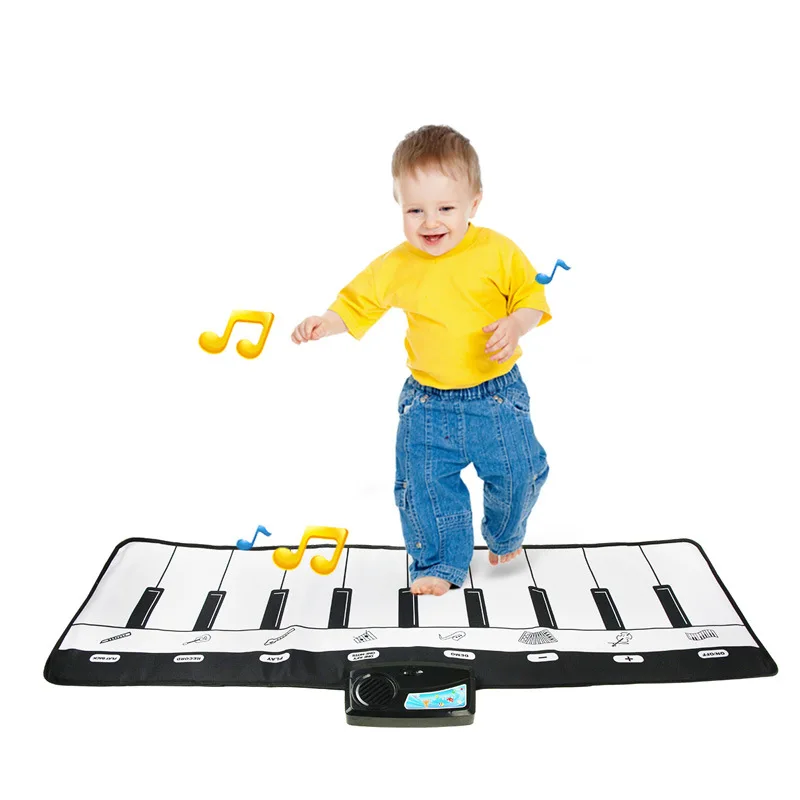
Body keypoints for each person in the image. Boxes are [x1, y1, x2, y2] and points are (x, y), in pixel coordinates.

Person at [291, 125, 551, 596]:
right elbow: (358, 301)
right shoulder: (398, 264)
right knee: (425, 489)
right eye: (415, 210)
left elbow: (531, 298)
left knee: (520, 474)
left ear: (474, 203)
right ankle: (439, 562)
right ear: (399, 206)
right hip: (428, 405)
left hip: (496, 397)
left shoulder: (497, 251)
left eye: (445, 208)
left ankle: (505, 533)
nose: (430, 222)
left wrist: (515, 325)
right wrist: (326, 322)